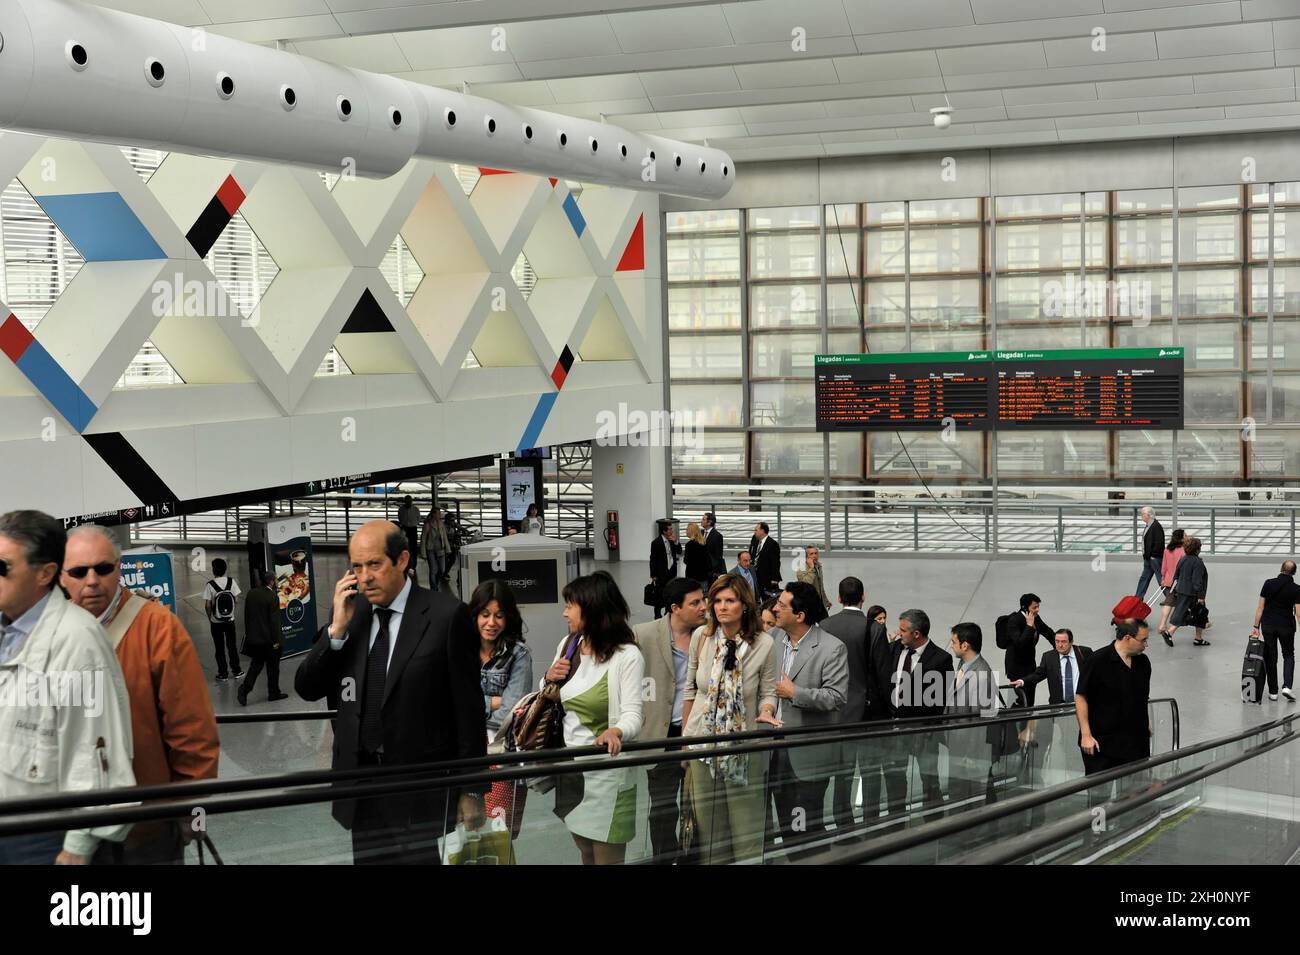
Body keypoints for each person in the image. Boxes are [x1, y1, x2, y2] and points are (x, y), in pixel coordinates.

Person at [294, 520, 486, 864]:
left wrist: (471, 790)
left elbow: (468, 712)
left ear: (402, 560)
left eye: (374, 564)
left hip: (422, 791)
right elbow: (308, 688)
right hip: (363, 787)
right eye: (356, 566)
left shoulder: (445, 616)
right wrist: (336, 629)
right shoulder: (352, 615)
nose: (364, 576)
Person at [60, 524, 218, 864]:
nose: (92, 580)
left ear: (119, 569)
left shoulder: (158, 628)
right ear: (60, 577)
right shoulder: (47, 634)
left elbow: (192, 730)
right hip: (67, 828)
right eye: (78, 571)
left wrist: (192, 810)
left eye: (103, 568)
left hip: (145, 829)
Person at [0, 511, 136, 864]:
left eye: (3, 568)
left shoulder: (77, 641)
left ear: (45, 573)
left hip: (50, 839)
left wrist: (77, 848)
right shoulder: (8, 633)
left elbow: (94, 748)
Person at [544, 573, 645, 865]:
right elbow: (550, 695)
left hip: (608, 775)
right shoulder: (569, 644)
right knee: (586, 852)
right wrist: (548, 678)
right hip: (572, 770)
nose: (564, 612)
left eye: (570, 605)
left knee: (607, 858)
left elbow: (633, 713)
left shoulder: (626, 656)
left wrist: (617, 730)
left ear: (592, 608)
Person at [681, 573, 780, 864]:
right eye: (718, 601)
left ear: (745, 605)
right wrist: (686, 741)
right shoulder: (702, 637)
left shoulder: (764, 644)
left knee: (746, 833)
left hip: (744, 748)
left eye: (730, 601)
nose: (722, 607)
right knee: (712, 836)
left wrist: (767, 711)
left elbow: (768, 692)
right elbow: (690, 690)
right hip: (703, 747)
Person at [633, 577, 707, 863]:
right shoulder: (643, 634)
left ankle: (693, 859)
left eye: (703, 600)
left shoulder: (709, 635)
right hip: (660, 734)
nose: (704, 607)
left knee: (699, 805)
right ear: (675, 608)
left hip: (697, 732)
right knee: (663, 809)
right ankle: (664, 858)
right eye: (696, 603)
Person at [768, 581, 848, 843]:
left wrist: (795, 693)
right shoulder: (773, 640)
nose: (775, 609)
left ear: (799, 616)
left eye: (781, 605)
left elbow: (836, 697)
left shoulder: (831, 647)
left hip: (808, 753)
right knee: (784, 818)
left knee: (805, 822)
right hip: (773, 748)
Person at [819, 576, 886, 828]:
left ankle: (842, 820)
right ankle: (871, 819)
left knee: (841, 773)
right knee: (870, 771)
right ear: (863, 597)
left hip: (835, 712)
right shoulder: (874, 628)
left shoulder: (825, 626)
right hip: (867, 713)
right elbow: (883, 675)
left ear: (838, 599)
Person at [877, 608, 953, 813]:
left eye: (903, 630)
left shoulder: (941, 659)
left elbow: (940, 701)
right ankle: (896, 825)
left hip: (923, 732)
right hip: (894, 731)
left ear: (916, 634)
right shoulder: (893, 649)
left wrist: (929, 730)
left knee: (929, 780)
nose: (898, 633)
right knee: (894, 780)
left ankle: (934, 827)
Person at [473, 579, 533, 837]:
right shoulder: (460, 648)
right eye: (485, 614)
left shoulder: (518, 654)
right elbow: (450, 701)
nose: (491, 623)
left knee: (500, 836)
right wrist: (491, 701)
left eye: (499, 616)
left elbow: (510, 711)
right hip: (466, 752)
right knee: (467, 831)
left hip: (502, 754)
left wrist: (474, 704)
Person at [1076, 619, 1153, 775]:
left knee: (1135, 794)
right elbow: (1081, 697)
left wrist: (1144, 724)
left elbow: (1141, 698)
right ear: (1127, 638)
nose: (1146, 645)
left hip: (1136, 744)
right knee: (1100, 794)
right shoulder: (1097, 660)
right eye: (1143, 640)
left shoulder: (1143, 662)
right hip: (1102, 744)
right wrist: (1086, 735)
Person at [945, 622, 998, 806]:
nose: (951, 645)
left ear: (965, 645)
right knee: (957, 795)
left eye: (953, 641)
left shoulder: (982, 674)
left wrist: (971, 755)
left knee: (973, 800)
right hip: (958, 747)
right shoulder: (963, 664)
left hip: (971, 754)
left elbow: (983, 720)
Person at [1253, 560, 1300, 702]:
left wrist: (1256, 627)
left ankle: (1273, 692)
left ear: (1281, 569)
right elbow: (1298, 613)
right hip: (1286, 626)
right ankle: (1287, 686)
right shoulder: (1296, 589)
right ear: (1294, 572)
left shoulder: (1268, 583)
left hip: (1268, 625)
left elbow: (1260, 607)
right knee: (1288, 655)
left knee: (1271, 657)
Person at [995, 593, 1055, 704]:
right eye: (1034, 607)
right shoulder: (1014, 620)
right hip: (1016, 667)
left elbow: (1048, 632)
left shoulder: (1035, 618)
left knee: (1030, 697)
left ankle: (1028, 716)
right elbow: (1020, 643)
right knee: (1021, 698)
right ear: (1024, 607)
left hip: (1029, 664)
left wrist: (1059, 647)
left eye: (1038, 606)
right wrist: (1029, 626)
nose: (1037, 610)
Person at [239, 569, 287, 705]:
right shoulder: (272, 597)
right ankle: (274, 692)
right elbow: (274, 622)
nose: (277, 581)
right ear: (271, 581)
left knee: (256, 666)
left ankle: (244, 689)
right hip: (269, 641)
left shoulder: (251, 593)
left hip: (255, 639)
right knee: (273, 668)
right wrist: (277, 640)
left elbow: (247, 616)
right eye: (276, 579)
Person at [1013, 628, 1093, 706]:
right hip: (1058, 706)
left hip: (1084, 704)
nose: (1060, 645)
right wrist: (1022, 681)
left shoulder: (1084, 652)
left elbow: (1095, 671)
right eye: (1057, 641)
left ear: (1071, 642)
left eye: (1063, 642)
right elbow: (1038, 675)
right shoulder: (1049, 657)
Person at [203, 557, 243, 682]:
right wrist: (230, 613)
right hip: (230, 620)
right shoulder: (231, 582)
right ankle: (237, 671)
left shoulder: (210, 585)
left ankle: (223, 673)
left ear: (214, 571)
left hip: (216, 622)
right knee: (232, 646)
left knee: (219, 648)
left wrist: (211, 618)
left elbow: (208, 605)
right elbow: (236, 599)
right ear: (225, 569)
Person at [1166, 536, 1209, 647]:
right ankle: (1169, 632)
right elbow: (1197, 581)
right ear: (1197, 549)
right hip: (1193, 593)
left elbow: (1177, 575)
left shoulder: (1183, 558)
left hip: (1181, 589)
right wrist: (1201, 596)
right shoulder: (1197, 562)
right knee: (1197, 613)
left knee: (1195, 613)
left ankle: (1198, 638)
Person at [1155, 528, 1186, 636]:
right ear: (1182, 538)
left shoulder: (1167, 549)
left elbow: (1163, 566)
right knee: (1185, 604)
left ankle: (1162, 624)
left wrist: (1163, 578)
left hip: (1169, 581)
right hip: (1180, 581)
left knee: (1168, 603)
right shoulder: (1184, 551)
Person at [648, 520, 680, 619]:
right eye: (670, 529)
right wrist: (653, 575)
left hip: (671, 571)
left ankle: (668, 613)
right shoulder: (656, 543)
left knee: (670, 593)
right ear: (664, 531)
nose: (672, 531)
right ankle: (657, 615)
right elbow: (653, 559)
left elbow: (679, 551)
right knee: (659, 595)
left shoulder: (672, 540)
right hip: (661, 573)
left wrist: (676, 542)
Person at [1136, 506, 1165, 598]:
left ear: (1148, 515)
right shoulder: (1150, 525)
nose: (1141, 516)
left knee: (1161, 579)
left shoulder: (1156, 526)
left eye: (1142, 514)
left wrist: (1153, 555)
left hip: (1154, 558)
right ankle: (1138, 597)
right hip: (1149, 558)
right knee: (1144, 578)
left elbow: (1159, 543)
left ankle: (1170, 597)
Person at [748, 522, 781, 600]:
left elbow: (775, 563)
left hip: (766, 578)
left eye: (756, 530)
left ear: (762, 531)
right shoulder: (754, 540)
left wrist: (774, 579)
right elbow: (751, 553)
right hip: (754, 575)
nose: (754, 532)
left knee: (767, 599)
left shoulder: (773, 544)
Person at [421, 508, 449, 590]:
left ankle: (435, 583)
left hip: (441, 549)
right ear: (433, 514)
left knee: (442, 570)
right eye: (438, 513)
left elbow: (445, 537)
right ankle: (434, 588)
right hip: (431, 550)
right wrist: (423, 553)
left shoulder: (441, 524)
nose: (440, 515)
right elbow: (423, 539)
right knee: (433, 570)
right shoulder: (427, 525)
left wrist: (448, 549)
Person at [682, 522, 711, 588]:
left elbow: (686, 561)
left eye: (687, 530)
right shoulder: (703, 543)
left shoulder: (689, 545)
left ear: (691, 531)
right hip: (703, 575)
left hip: (692, 576)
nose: (686, 531)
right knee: (703, 596)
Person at [397, 494, 421, 570]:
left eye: (409, 501)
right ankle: (409, 563)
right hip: (406, 528)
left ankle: (413, 564)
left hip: (412, 528)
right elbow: (400, 518)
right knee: (406, 547)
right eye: (407, 501)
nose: (408, 502)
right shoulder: (402, 509)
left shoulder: (414, 509)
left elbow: (418, 518)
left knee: (413, 547)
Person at [701, 511, 725, 582]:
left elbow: (718, 555)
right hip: (701, 569)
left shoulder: (717, 536)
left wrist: (715, 572)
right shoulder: (700, 533)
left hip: (711, 570)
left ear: (709, 522)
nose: (701, 521)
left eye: (703, 519)